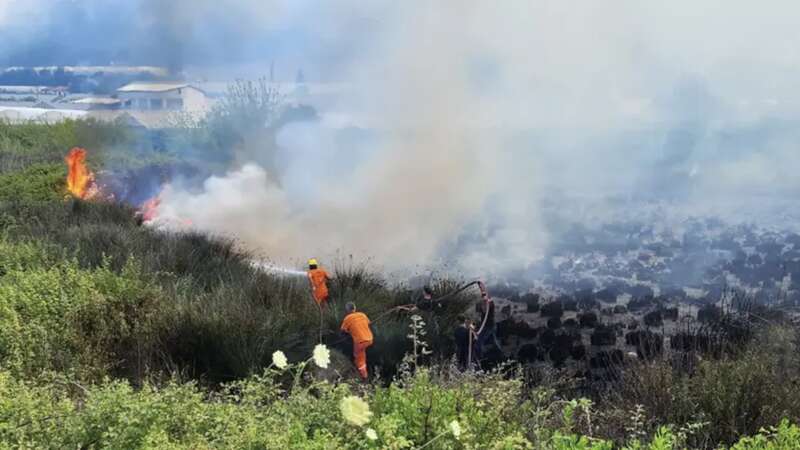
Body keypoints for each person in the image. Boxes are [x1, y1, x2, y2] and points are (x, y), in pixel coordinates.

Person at [340, 302, 374, 380]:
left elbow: (342, 331)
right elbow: (368, 324)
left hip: (360, 341)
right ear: (355, 308)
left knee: (358, 357)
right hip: (369, 339)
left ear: (347, 310)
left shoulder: (347, 318)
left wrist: (348, 334)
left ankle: (363, 376)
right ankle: (361, 371)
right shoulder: (362, 315)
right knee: (362, 354)